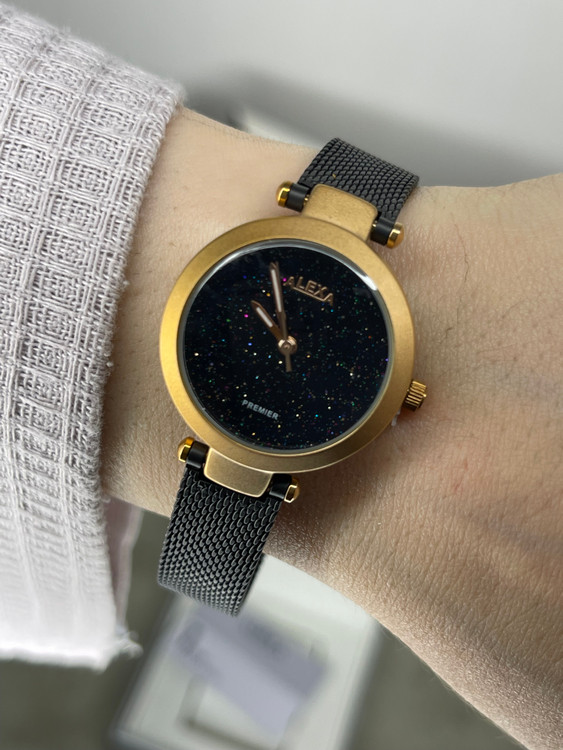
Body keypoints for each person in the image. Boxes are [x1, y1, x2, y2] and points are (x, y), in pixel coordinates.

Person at [0, 5, 561, 750]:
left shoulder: (368, 382)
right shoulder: (231, 303)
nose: (288, 343)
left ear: (402, 395)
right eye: (281, 331)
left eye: (291, 340)